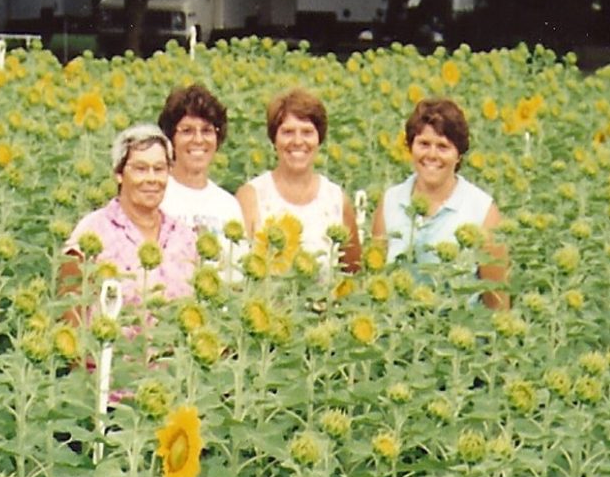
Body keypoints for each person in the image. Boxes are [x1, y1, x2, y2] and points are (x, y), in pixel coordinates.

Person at [372, 97, 509, 308]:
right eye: (424, 144)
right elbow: (375, 278)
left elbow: (497, 303)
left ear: (459, 155)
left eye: (443, 147)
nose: (432, 155)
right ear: (410, 147)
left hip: (458, 327)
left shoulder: (482, 211)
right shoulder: (391, 201)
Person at [62, 124, 198, 304]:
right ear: (119, 174)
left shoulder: (184, 237)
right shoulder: (91, 232)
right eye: (140, 169)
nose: (151, 179)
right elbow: (69, 308)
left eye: (159, 169)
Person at [237, 88, 361, 273]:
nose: (297, 141)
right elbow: (236, 271)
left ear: (319, 138)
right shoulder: (251, 196)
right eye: (287, 132)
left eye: (307, 132)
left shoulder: (336, 200)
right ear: (274, 138)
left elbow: (353, 274)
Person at [157, 83, 245, 241]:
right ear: (171, 137)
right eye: (187, 131)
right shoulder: (156, 196)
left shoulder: (228, 206)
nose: (198, 140)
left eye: (206, 130)